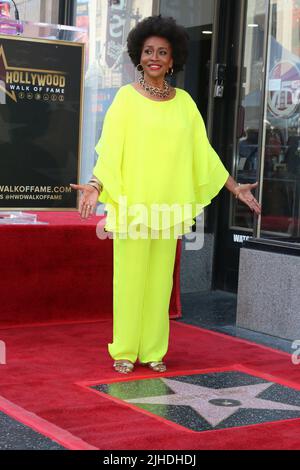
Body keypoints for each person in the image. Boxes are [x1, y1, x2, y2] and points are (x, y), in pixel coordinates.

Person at [70, 15, 261, 375]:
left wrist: (235, 188)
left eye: (162, 52)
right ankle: (125, 350)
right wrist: (96, 186)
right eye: (148, 51)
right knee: (128, 281)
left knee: (160, 283)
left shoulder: (185, 104)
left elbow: (203, 155)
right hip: (132, 207)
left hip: (167, 209)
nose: (154, 57)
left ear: (173, 60)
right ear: (138, 57)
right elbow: (110, 151)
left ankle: (154, 349)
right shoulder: (125, 100)